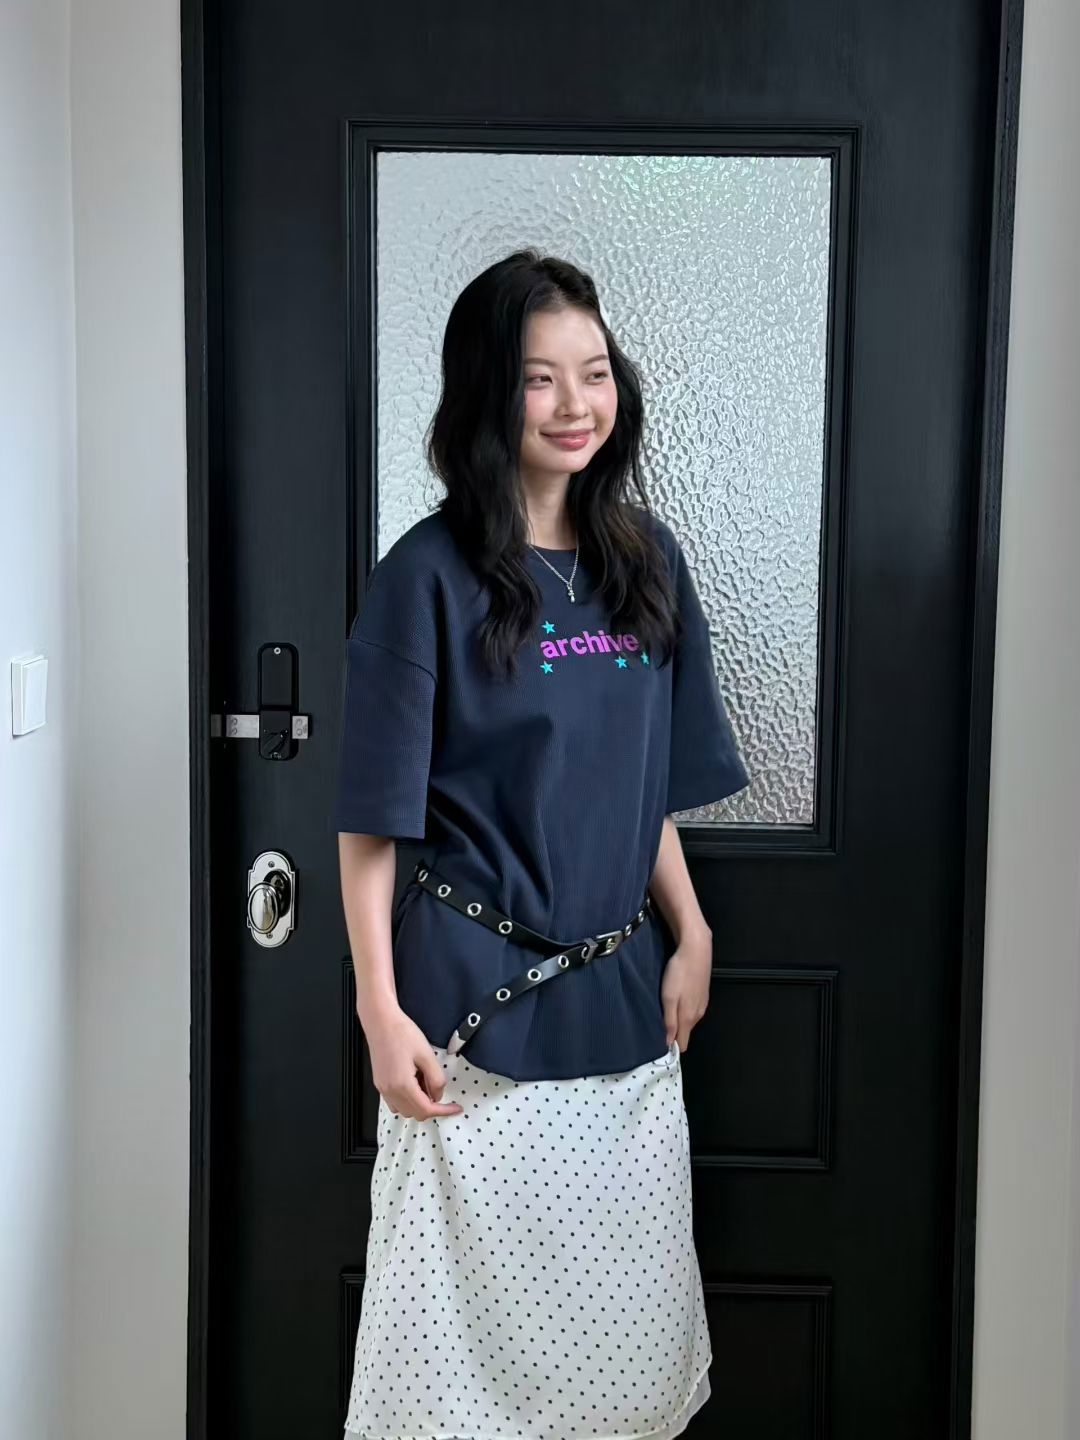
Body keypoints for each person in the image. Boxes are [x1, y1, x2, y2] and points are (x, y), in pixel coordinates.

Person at [334, 249, 750, 1440]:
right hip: (471, 1024)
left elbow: (637, 787)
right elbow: (372, 821)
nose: (576, 404)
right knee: (455, 1379)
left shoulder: (645, 561)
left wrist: (692, 930)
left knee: (625, 1362)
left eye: (594, 371)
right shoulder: (425, 576)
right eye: (538, 377)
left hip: (623, 1009)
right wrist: (378, 1009)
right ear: (487, 390)